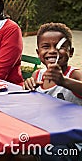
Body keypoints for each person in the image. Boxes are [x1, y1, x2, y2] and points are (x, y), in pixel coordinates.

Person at [22, 22, 82, 161]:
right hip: (43, 132)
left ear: (70, 52)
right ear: (38, 53)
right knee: (8, 149)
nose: (53, 51)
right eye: (46, 46)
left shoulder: (73, 75)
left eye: (60, 47)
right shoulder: (37, 75)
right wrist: (28, 87)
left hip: (70, 142)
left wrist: (64, 81)